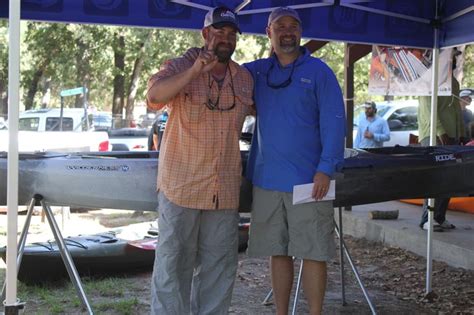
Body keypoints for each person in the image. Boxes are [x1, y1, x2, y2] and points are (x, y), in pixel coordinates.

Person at [146, 6, 254, 314]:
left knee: (220, 270)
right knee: (172, 266)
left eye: (232, 34)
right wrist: (195, 71)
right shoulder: (181, 65)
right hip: (181, 187)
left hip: (224, 191)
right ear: (206, 34)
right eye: (219, 32)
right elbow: (154, 96)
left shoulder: (244, 78)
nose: (226, 39)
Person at [244, 7, 346, 315]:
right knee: (278, 251)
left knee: (313, 252)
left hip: (310, 181)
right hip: (267, 180)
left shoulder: (319, 72)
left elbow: (335, 122)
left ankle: (315, 312)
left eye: (293, 26)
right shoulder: (255, 72)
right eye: (280, 26)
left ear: (300, 32)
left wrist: (325, 169)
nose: (287, 31)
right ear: (269, 32)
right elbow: (222, 77)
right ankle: (281, 312)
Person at [417, 76, 463, 231]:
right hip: (432, 134)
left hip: (451, 135)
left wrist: (461, 132)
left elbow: (456, 108)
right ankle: (426, 219)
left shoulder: (453, 81)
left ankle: (439, 217)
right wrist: (441, 132)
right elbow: (429, 109)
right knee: (434, 177)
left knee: (450, 178)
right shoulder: (429, 79)